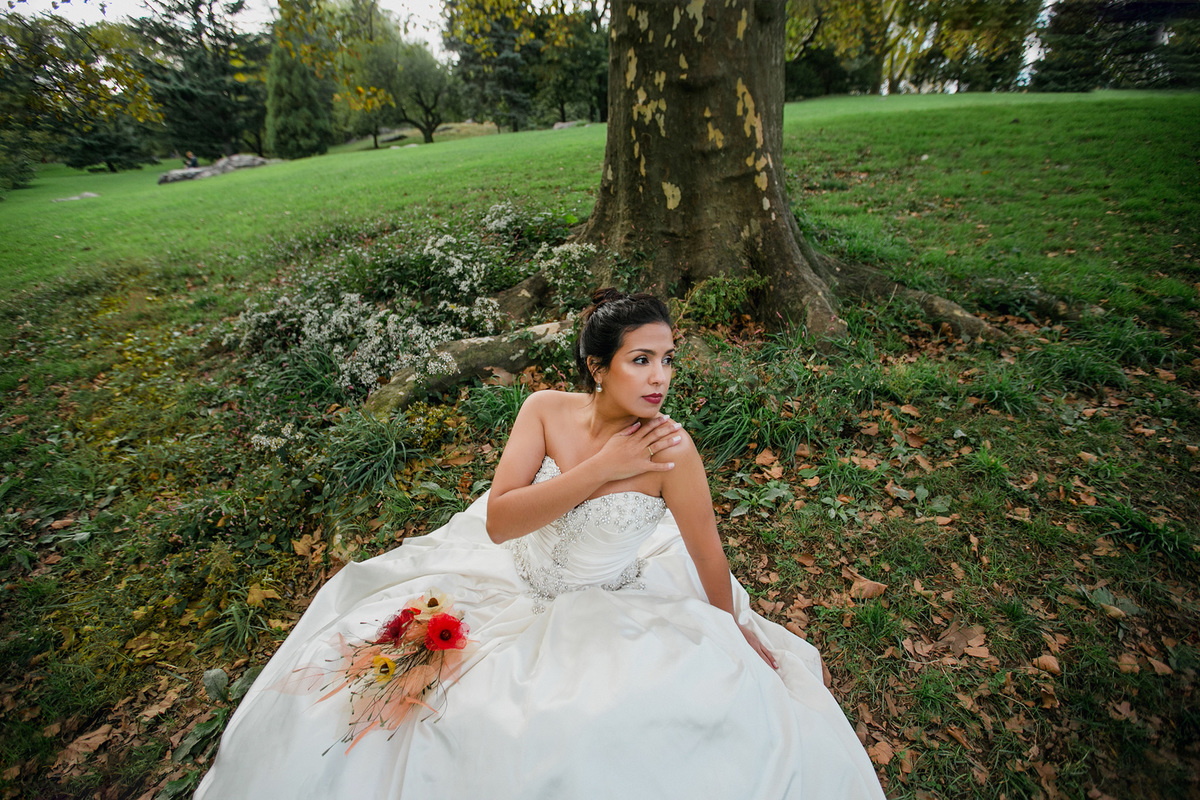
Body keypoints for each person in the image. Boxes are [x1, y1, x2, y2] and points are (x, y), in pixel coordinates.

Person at [194, 289, 886, 799]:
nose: (660, 378)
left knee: (572, 731)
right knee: (370, 668)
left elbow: (708, 555)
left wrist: (734, 627)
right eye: (641, 360)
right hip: (509, 578)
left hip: (603, 610)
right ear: (597, 366)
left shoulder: (672, 450)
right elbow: (500, 522)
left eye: (667, 360)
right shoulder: (544, 410)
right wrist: (602, 470)